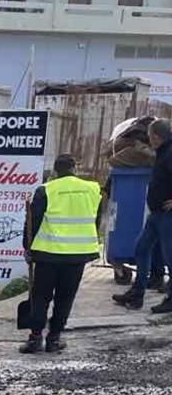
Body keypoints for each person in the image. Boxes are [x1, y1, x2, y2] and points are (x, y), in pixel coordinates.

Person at [21, 154, 102, 354]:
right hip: (78, 255)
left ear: (55, 171)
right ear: (74, 168)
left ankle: (35, 338)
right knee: (65, 297)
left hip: (48, 254)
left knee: (41, 296)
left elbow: (33, 222)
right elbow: (96, 220)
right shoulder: (92, 189)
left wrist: (27, 248)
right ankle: (54, 339)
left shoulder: (46, 190)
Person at [113, 118, 172, 313]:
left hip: (167, 215)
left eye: (150, 137)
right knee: (141, 249)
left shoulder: (170, 153)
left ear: (156, 137)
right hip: (156, 213)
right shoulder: (163, 152)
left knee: (169, 257)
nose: (149, 141)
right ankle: (137, 293)